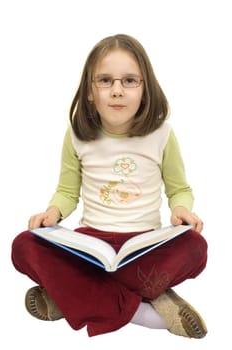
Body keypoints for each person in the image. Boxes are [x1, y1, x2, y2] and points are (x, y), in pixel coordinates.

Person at [11, 34, 208, 339]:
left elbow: (179, 188)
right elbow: (66, 192)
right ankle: (144, 312)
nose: (117, 91)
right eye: (105, 80)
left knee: (196, 248)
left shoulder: (161, 135)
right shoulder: (77, 135)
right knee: (24, 246)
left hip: (144, 245)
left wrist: (182, 209)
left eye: (129, 81)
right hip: (91, 246)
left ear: (145, 88)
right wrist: (53, 213)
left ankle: (69, 297)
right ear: (90, 91)